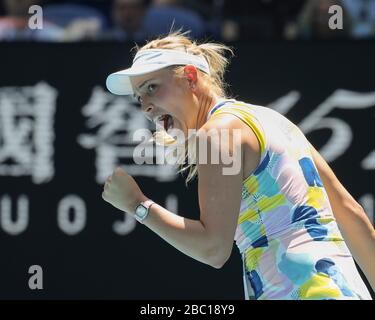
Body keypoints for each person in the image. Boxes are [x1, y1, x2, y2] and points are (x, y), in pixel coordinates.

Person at [102, 31, 375, 300]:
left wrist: (137, 204)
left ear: (190, 77)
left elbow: (213, 249)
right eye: (139, 97)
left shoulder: (217, 133)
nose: (146, 107)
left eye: (152, 87)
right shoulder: (272, 119)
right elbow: (351, 214)